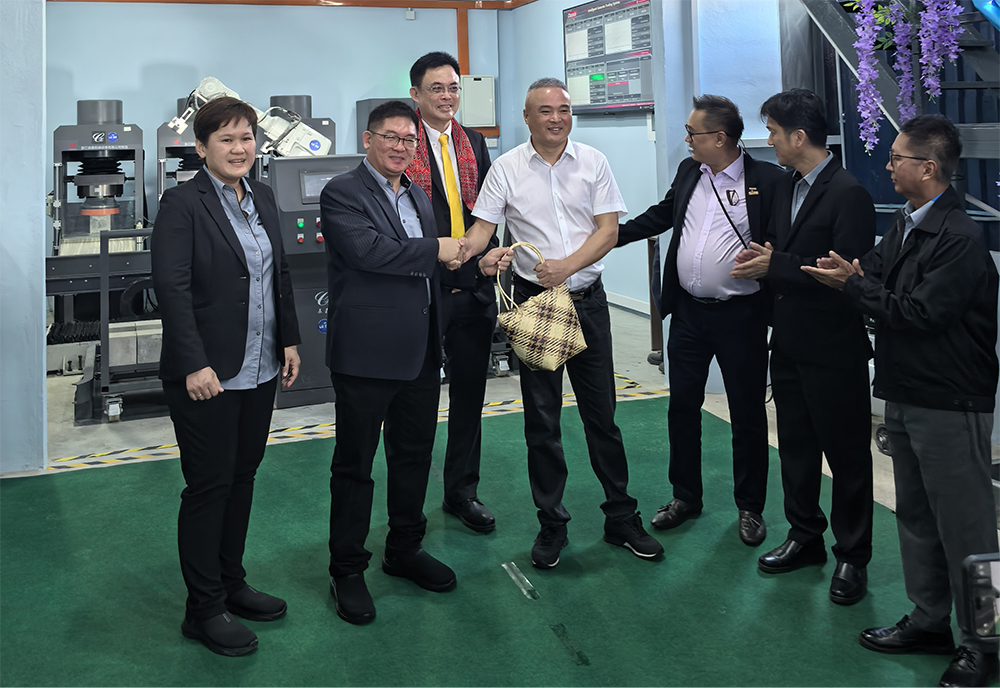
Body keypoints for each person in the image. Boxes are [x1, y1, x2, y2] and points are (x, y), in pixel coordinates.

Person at [802, 114, 999, 687]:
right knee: (914, 515)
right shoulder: (907, 226)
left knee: (968, 529)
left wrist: (854, 284)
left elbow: (919, 313)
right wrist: (851, 274)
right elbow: (873, 273)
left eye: (896, 159)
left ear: (928, 167)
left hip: (949, 400)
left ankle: (986, 643)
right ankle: (930, 620)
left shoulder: (959, 238)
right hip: (905, 391)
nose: (887, 166)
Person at [320, 100, 511, 625]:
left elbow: (434, 266)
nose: (401, 147)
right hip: (365, 354)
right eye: (391, 137)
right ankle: (347, 568)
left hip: (421, 351)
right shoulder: (342, 192)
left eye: (409, 140)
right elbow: (371, 252)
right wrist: (442, 247)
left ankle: (404, 548)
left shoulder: (419, 196)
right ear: (368, 139)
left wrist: (477, 263)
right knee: (355, 466)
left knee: (412, 457)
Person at [461, 77, 663, 569]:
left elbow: (609, 230)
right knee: (542, 420)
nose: (557, 118)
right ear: (527, 118)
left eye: (564, 110)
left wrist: (567, 267)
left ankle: (621, 517)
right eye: (546, 111)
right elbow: (483, 229)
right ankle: (551, 522)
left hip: (588, 303)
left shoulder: (593, 162)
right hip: (537, 306)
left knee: (602, 416)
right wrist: (470, 256)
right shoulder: (506, 168)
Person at [151, 96, 302, 657]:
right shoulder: (181, 203)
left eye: (247, 138)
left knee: (242, 478)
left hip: (259, 366)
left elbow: (278, 274)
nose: (240, 149)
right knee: (209, 486)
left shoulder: (260, 195)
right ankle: (204, 608)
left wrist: (289, 339)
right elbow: (172, 288)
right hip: (207, 373)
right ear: (201, 147)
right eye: (227, 139)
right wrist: (193, 362)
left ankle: (231, 582)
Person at [616, 94, 783, 546]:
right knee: (682, 408)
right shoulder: (690, 171)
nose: (687, 139)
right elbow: (664, 214)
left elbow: (781, 241)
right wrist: (613, 235)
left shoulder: (767, 180)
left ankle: (750, 506)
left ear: (720, 138)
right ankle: (685, 496)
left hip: (741, 315)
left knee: (746, 414)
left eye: (693, 133)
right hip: (689, 313)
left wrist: (773, 261)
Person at [731, 88, 874, 605]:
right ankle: (805, 535)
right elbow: (785, 253)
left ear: (798, 136)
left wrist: (777, 265)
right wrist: (766, 257)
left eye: (772, 132)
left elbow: (846, 272)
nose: (768, 141)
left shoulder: (848, 192)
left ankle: (852, 555)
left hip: (833, 348)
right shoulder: (787, 186)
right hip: (789, 342)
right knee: (795, 447)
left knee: (847, 456)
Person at [406, 51, 501, 533]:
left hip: (473, 283)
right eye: (437, 88)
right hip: (422, 288)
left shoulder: (474, 143)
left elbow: (489, 207)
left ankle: (462, 491)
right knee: (417, 400)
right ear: (416, 94)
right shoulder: (403, 143)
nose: (447, 97)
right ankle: (408, 506)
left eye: (453, 88)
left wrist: (485, 255)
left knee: (469, 395)